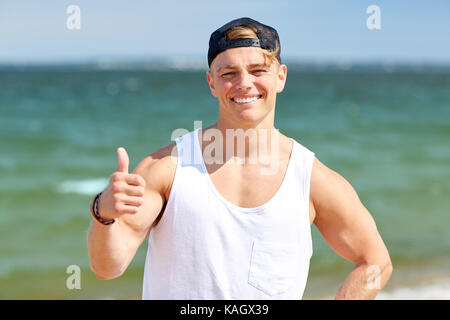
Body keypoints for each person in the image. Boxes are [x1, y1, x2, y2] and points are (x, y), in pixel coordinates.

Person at [87, 17, 392, 300]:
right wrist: (103, 213)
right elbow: (108, 267)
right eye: (228, 73)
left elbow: (375, 262)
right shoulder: (168, 168)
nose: (244, 83)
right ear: (211, 83)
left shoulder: (310, 178)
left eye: (258, 70)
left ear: (280, 77)